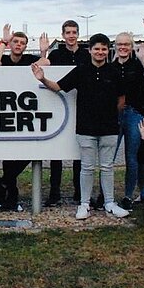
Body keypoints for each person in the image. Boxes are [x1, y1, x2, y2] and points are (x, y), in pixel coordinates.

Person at [32, 33, 130, 220]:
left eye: (103, 49)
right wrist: (42, 79)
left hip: (109, 128)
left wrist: (109, 114)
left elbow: (121, 99)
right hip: (85, 128)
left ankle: (109, 203)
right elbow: (58, 87)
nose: (100, 52)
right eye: (96, 48)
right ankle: (84, 204)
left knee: (107, 167)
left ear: (108, 51)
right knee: (87, 167)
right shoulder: (81, 70)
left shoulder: (115, 72)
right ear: (90, 50)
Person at [0, 25, 50, 210]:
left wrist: (43, 52)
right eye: (15, 42)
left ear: (25, 46)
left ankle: (3, 182)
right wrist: (4, 42)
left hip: (25, 112)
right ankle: (11, 195)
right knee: (8, 155)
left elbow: (46, 63)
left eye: (22, 43)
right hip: (6, 111)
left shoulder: (29, 60)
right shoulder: (4, 58)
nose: (18, 45)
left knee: (31, 152)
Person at [45, 20, 89, 206]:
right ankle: (54, 192)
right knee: (56, 153)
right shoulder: (56, 54)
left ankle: (79, 191)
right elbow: (43, 66)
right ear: (63, 35)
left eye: (74, 32)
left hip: (82, 106)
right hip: (59, 106)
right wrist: (42, 53)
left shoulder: (86, 54)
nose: (71, 35)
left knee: (79, 151)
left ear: (78, 34)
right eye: (68, 32)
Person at [112, 34, 144, 210]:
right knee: (109, 158)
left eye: (126, 44)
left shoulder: (137, 65)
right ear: (115, 46)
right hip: (114, 115)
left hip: (134, 114)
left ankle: (128, 196)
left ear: (131, 47)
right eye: (119, 44)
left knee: (132, 158)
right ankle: (105, 195)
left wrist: (142, 58)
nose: (122, 47)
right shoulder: (110, 67)